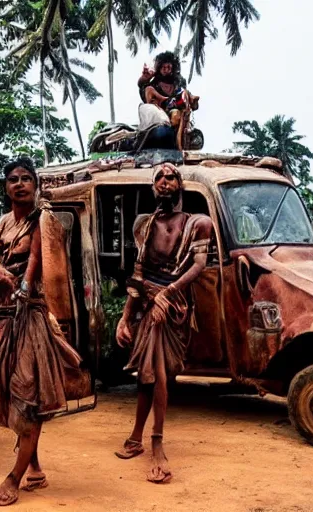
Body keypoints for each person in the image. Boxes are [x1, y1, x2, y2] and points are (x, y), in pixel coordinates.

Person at [0, 159, 84, 507]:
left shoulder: (41, 220)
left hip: (29, 319)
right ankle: (36, 466)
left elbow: (36, 266)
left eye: (27, 178)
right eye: (13, 179)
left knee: (27, 398)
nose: (20, 184)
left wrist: (20, 284)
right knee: (2, 394)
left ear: (36, 185)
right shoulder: (2, 222)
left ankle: (14, 477)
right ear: (6, 187)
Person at [114, 163, 212, 484]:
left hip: (175, 308)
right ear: (153, 187)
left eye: (170, 177)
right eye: (159, 177)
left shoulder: (197, 224)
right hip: (148, 306)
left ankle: (156, 444)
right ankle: (138, 438)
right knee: (148, 376)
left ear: (179, 184)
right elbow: (138, 274)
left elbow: (197, 266)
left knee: (157, 374)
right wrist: (126, 317)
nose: (165, 181)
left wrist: (165, 296)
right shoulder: (144, 226)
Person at [138, 52, 200, 150]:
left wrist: (192, 102)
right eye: (164, 67)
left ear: (173, 68)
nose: (166, 70)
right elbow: (145, 95)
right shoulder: (154, 85)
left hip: (181, 122)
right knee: (164, 130)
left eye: (169, 67)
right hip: (161, 120)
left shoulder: (178, 85)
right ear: (159, 68)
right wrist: (143, 79)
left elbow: (193, 105)